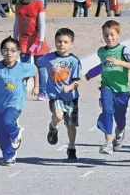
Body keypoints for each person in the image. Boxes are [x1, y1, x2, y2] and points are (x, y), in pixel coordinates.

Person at [0, 36, 39, 165]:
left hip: (15, 103)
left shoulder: (23, 67)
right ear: (1, 52)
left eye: (13, 50)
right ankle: (9, 155)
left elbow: (35, 70)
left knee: (8, 121)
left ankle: (16, 133)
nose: (9, 53)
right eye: (6, 50)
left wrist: (37, 86)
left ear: (18, 52)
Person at [87, 20, 130, 154]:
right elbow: (104, 66)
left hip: (122, 90)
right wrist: (91, 73)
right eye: (106, 35)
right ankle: (107, 143)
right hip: (106, 87)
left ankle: (120, 130)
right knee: (107, 111)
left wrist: (120, 62)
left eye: (112, 35)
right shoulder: (101, 51)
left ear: (119, 35)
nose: (109, 38)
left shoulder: (124, 50)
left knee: (120, 118)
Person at [38, 28, 82, 160]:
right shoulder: (48, 58)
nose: (61, 44)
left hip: (71, 96)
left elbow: (77, 80)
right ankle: (53, 127)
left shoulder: (74, 61)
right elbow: (37, 65)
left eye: (65, 42)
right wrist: (35, 84)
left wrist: (70, 87)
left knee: (71, 124)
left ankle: (71, 147)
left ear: (71, 44)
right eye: (59, 41)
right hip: (55, 94)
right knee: (58, 114)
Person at [13, 0, 50, 101]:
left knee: (40, 66)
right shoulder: (18, 6)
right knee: (25, 66)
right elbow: (16, 24)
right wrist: (15, 40)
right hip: (24, 40)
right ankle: (22, 90)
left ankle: (42, 91)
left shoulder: (38, 4)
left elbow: (42, 23)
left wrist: (40, 40)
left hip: (36, 39)